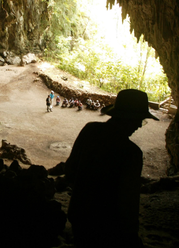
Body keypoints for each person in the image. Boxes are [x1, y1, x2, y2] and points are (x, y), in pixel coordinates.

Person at [65, 89, 159, 248]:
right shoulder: (131, 153)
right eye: (139, 120)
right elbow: (128, 201)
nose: (139, 125)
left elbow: (70, 170)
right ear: (129, 118)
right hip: (108, 227)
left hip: (79, 215)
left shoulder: (90, 130)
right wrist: (131, 236)